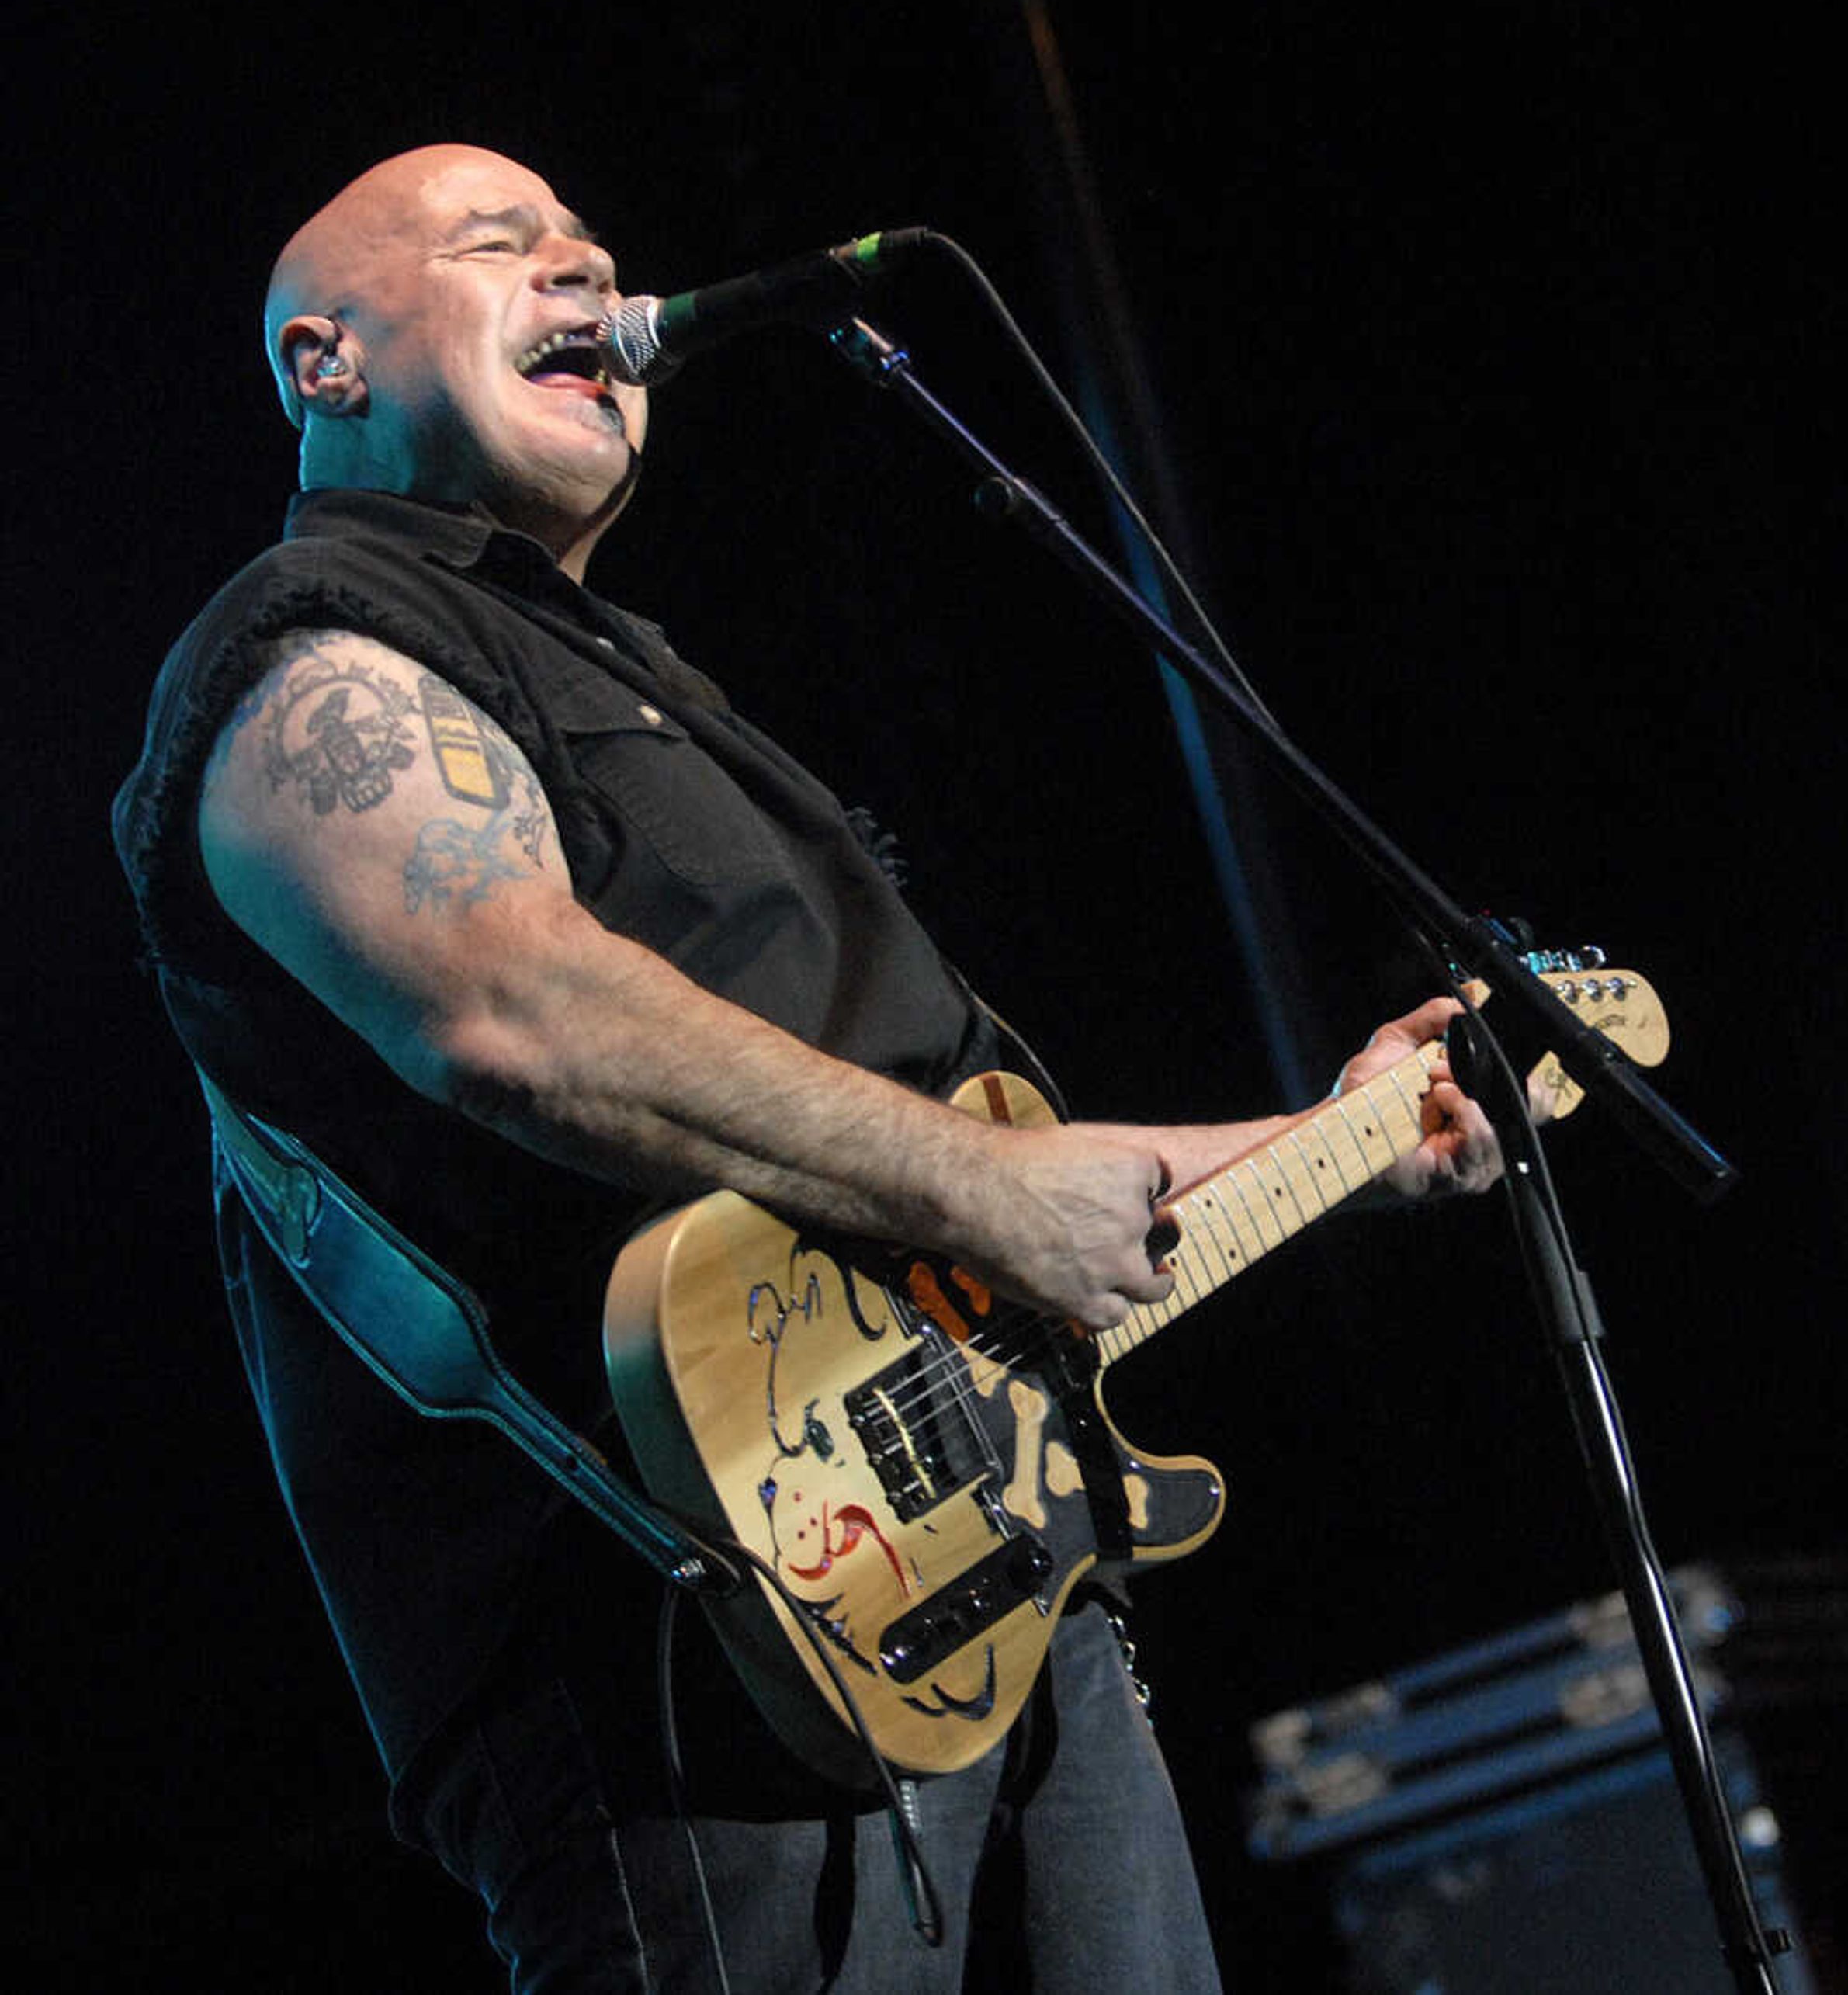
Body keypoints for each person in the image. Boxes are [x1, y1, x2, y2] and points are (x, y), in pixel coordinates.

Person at [111, 144, 1500, 1992]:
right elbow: (515, 1010)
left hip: (984, 1587)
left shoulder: (641, 671)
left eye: (593, 252)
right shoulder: (309, 665)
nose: (584, 277)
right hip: (676, 1658)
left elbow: (971, 1164)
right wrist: (981, 1185)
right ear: (326, 363)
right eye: (500, 247)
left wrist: (1335, 1134)